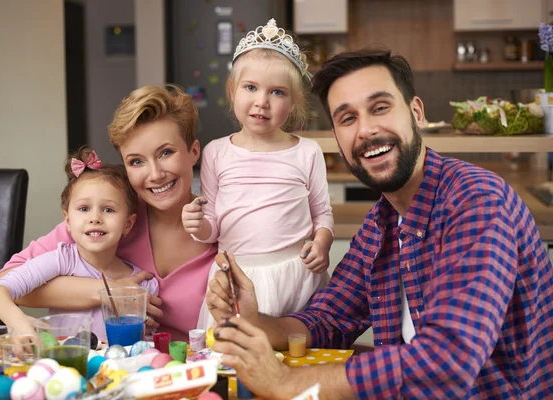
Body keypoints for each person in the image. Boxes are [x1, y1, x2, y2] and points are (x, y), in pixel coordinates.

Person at [205, 48, 553, 398]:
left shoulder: (476, 199)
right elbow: (328, 318)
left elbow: (447, 360)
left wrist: (287, 383)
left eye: (380, 108)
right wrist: (255, 319)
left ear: (416, 113)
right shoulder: (380, 224)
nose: (367, 130)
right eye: (347, 118)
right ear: (338, 141)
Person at [0, 86, 217, 342]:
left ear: (193, 152)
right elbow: (11, 282)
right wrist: (110, 292)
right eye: (136, 161)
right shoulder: (111, 214)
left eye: (166, 153)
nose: (155, 174)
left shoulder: (221, 224)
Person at [182, 19, 334, 329]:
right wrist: (197, 226)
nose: (261, 102)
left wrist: (322, 244)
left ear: (292, 103)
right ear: (233, 91)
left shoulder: (307, 152)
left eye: (277, 92)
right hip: (237, 278)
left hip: (298, 276)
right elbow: (212, 227)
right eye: (250, 87)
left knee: (299, 357)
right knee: (236, 362)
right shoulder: (216, 152)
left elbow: (323, 215)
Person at [0, 147, 159, 339]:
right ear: (67, 220)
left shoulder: (145, 285)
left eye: (108, 210)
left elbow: (144, 347)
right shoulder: (61, 260)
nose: (95, 218)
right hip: (62, 366)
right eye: (84, 208)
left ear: (128, 224)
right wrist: (18, 321)